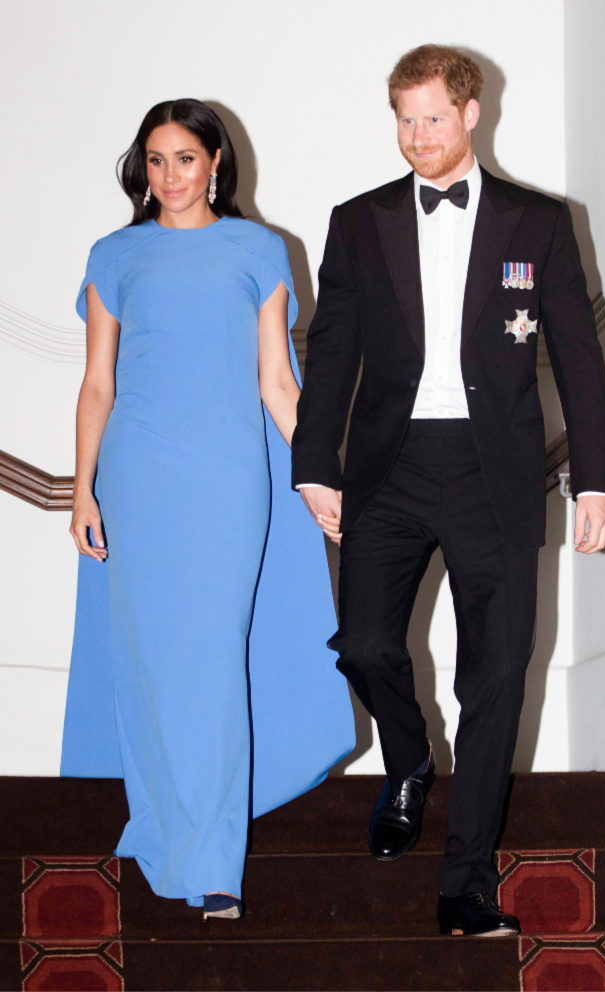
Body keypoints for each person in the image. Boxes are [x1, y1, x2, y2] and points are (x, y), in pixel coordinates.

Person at [293, 45, 605, 937]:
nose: (417, 136)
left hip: (496, 476)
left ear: (471, 114)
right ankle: (407, 763)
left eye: (433, 118)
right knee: (361, 642)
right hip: (388, 470)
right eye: (405, 119)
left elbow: (581, 364)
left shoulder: (538, 222)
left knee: (498, 676)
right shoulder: (358, 222)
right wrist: (315, 463)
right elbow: (332, 354)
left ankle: (465, 881)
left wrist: (594, 480)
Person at [62, 99, 354, 921]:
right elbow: (96, 385)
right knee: (154, 661)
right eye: (155, 161)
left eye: (184, 158)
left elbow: (276, 384)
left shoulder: (258, 249)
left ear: (217, 161)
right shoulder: (114, 254)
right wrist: (83, 487)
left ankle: (216, 858)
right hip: (139, 477)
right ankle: (162, 830)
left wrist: (320, 477)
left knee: (216, 659)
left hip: (227, 477)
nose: (169, 176)